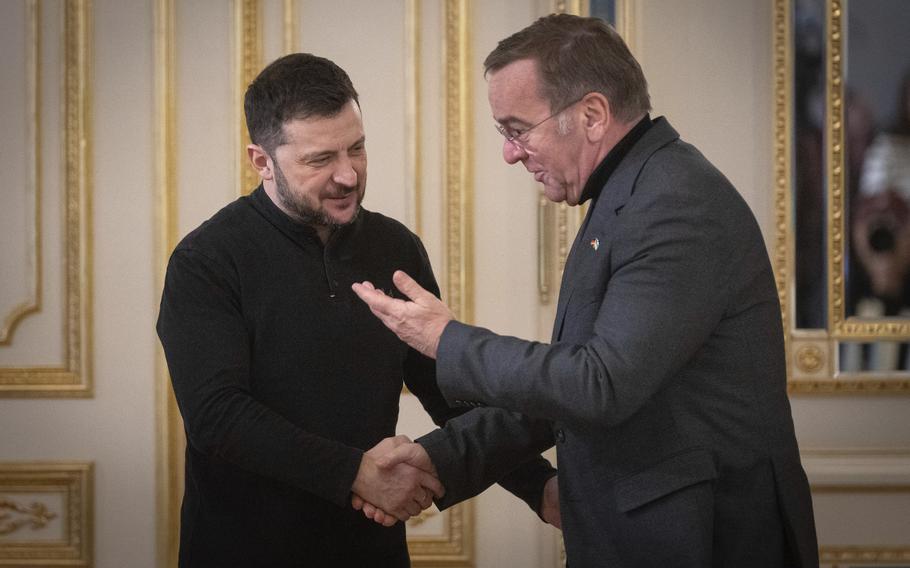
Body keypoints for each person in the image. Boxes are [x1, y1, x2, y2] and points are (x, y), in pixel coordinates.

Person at [353, 14, 819, 567]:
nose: (509, 152)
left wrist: (446, 340)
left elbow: (598, 385)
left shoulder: (673, 201)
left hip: (703, 541)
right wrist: (439, 460)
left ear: (592, 115)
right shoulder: (630, 193)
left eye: (517, 129)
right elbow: (570, 385)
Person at [156, 53, 555, 567]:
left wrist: (539, 487)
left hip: (371, 549)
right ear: (262, 161)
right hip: (243, 548)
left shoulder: (395, 247)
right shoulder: (205, 261)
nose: (348, 175)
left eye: (358, 148)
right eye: (320, 160)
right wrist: (355, 473)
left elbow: (446, 389)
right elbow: (217, 416)